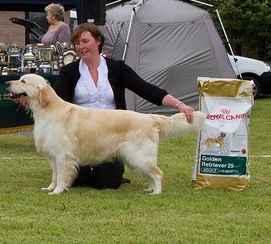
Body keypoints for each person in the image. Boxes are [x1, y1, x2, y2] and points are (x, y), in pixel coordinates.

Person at [52, 22, 195, 189]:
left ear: (98, 40)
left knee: (106, 183)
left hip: (113, 135)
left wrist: (179, 105)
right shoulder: (69, 71)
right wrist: (32, 96)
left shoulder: (117, 68)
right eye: (77, 43)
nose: (80, 47)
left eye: (85, 41)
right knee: (77, 181)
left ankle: (109, 172)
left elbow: (146, 89)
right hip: (80, 138)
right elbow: (55, 98)